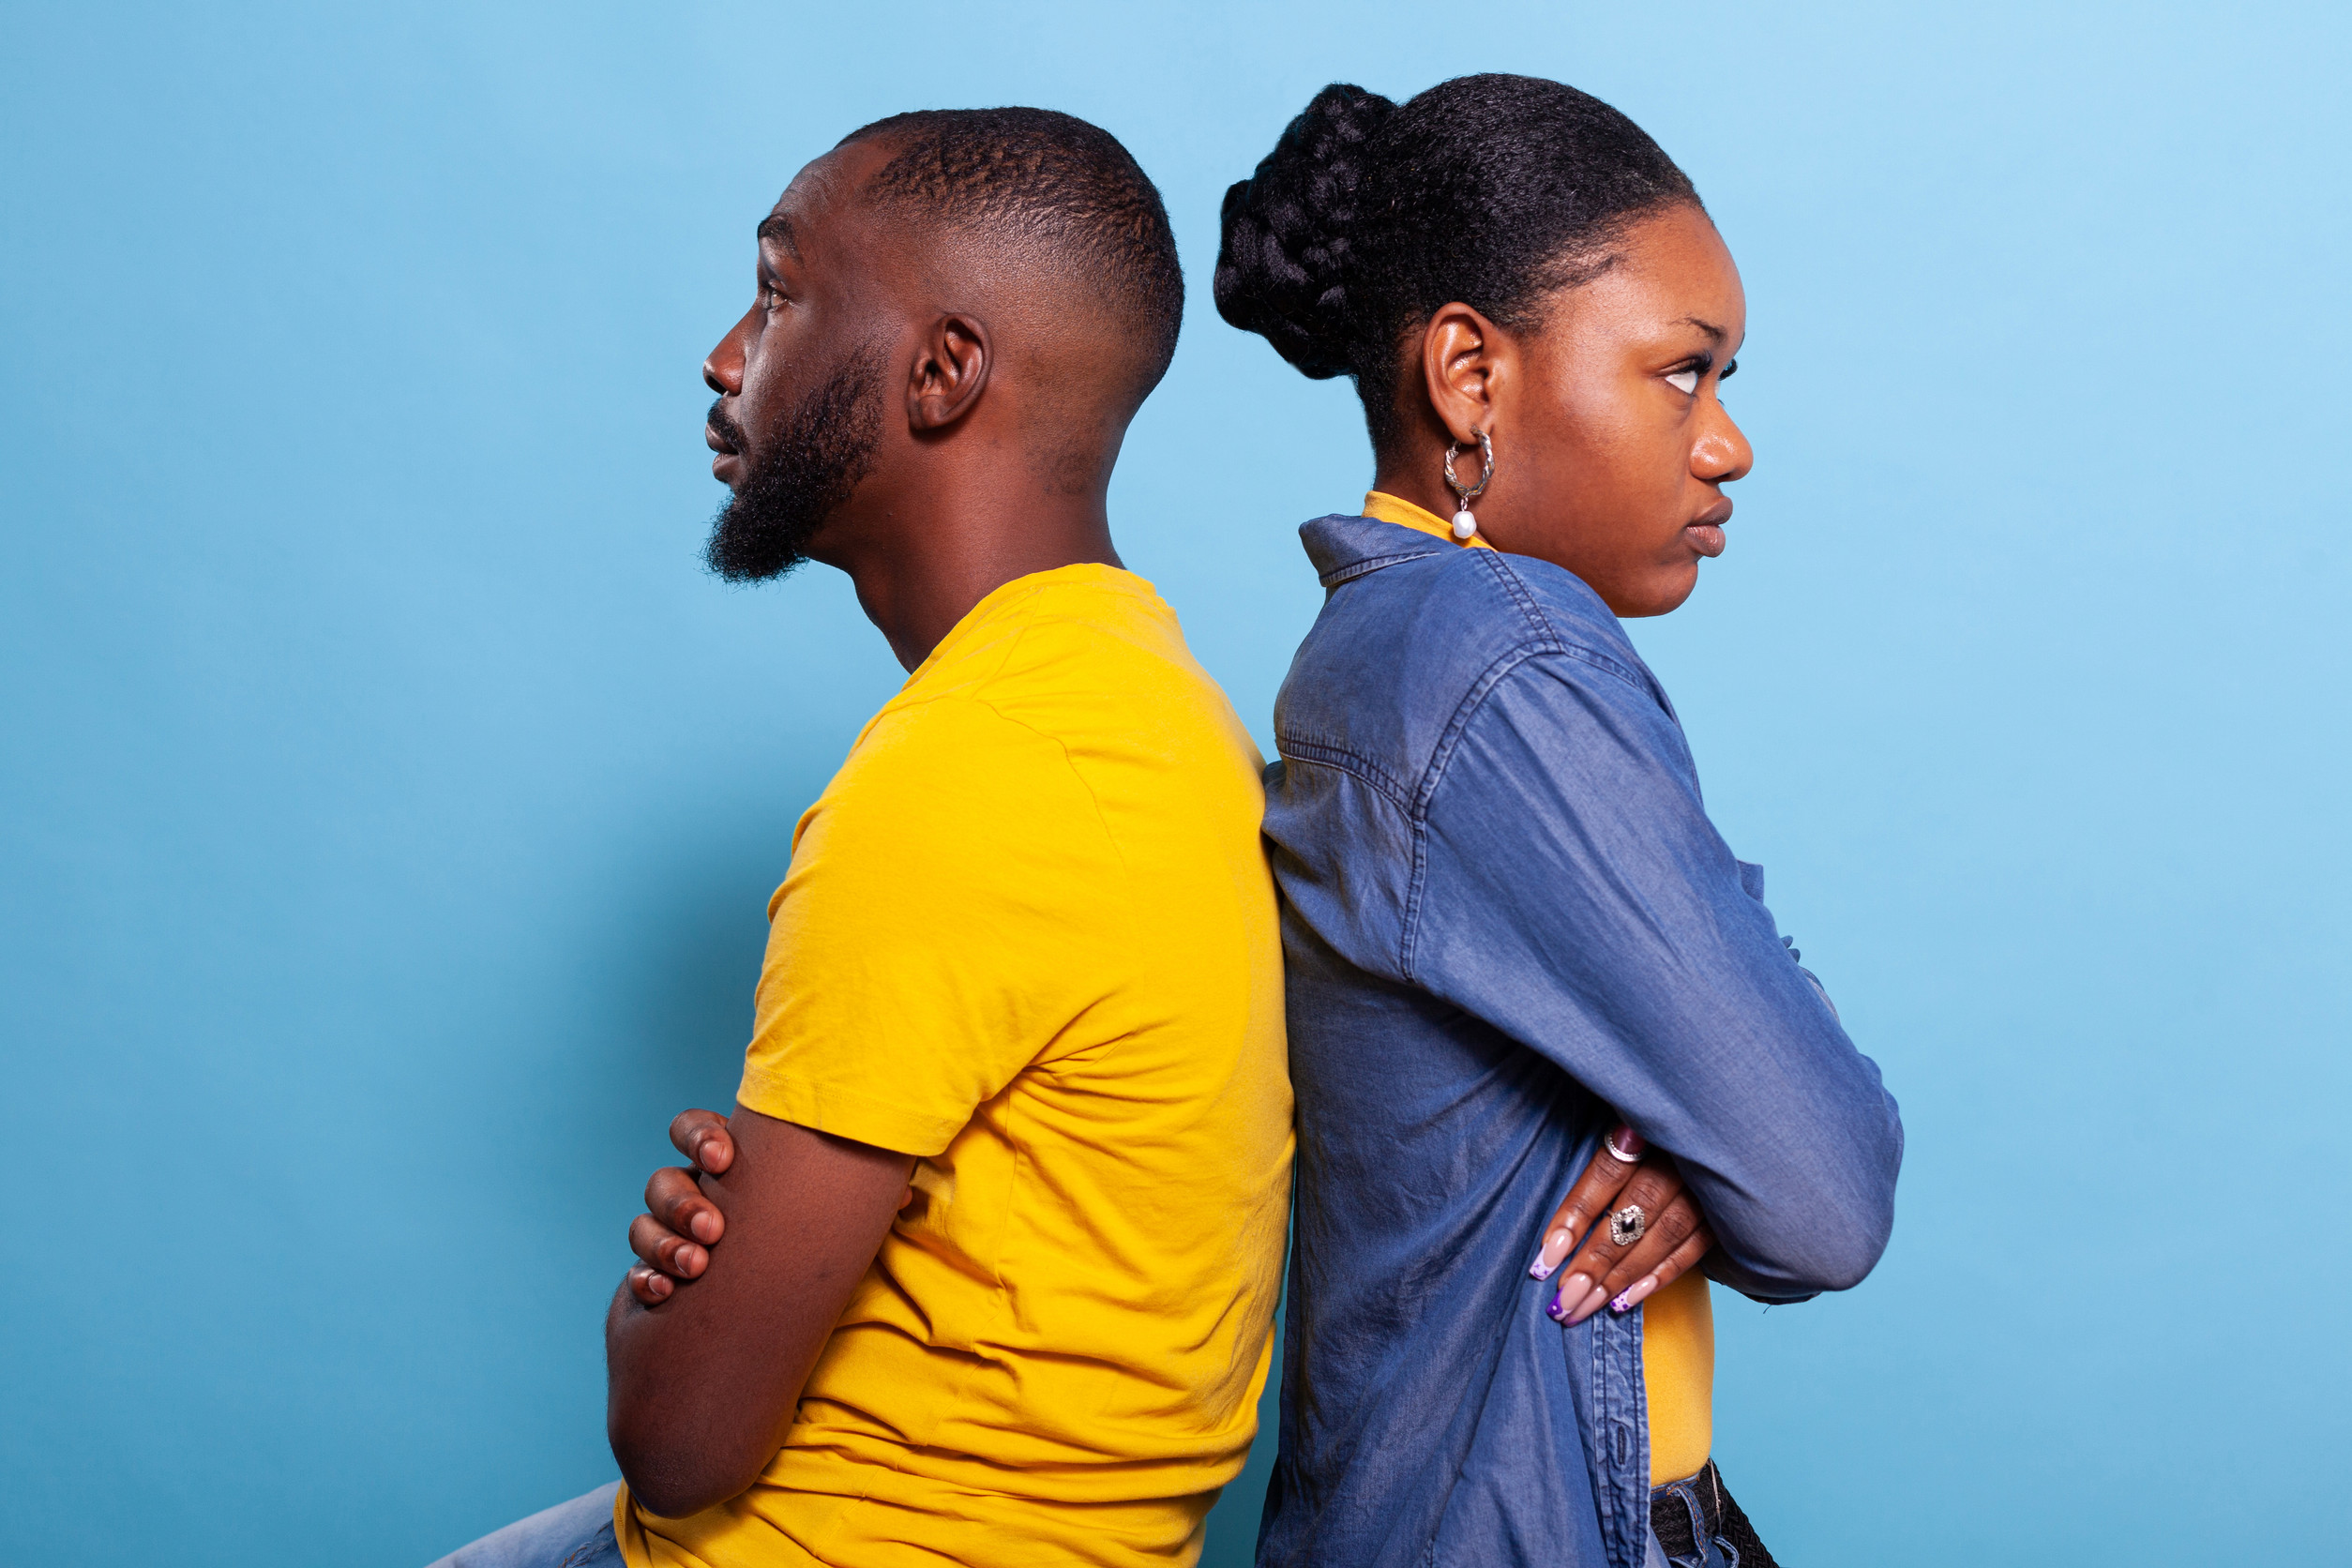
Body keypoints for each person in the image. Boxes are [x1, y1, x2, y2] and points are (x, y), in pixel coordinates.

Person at [426, 108, 1294, 1568]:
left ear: (942, 372)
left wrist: (665, 1289)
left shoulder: (964, 774)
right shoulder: (1152, 696)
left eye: (777, 293)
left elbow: (681, 1439)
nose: (724, 356)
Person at [1212, 76, 1906, 1568]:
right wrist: (1733, 1136)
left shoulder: (1392, 652)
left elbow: (1766, 1123)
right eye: (1682, 373)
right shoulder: (1503, 657)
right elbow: (1825, 1182)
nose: (1728, 444)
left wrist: (1711, 1137)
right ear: (1471, 374)